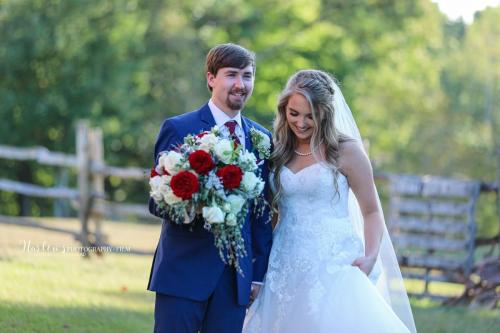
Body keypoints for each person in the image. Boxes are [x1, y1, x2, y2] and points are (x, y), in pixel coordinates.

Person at [243, 69, 417, 333]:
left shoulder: (347, 151)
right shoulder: (278, 150)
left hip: (334, 260)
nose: (301, 123)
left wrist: (370, 256)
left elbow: (371, 211)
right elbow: (273, 213)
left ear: (326, 112)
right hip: (284, 260)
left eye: (311, 116)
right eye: (294, 114)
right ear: (284, 109)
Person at [147, 43, 273, 333]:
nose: (241, 84)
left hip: (235, 282)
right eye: (232, 75)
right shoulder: (179, 129)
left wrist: (256, 276)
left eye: (248, 75)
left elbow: (262, 215)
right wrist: (200, 202)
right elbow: (156, 202)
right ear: (211, 78)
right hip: (183, 273)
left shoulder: (261, 139)